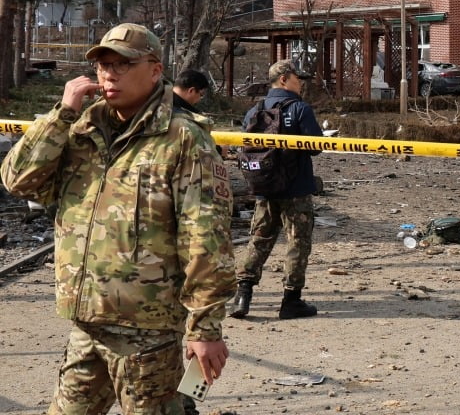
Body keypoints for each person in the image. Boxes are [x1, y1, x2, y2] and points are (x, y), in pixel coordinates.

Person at [0, 23, 234, 414]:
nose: (109, 73)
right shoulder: (81, 130)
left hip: (149, 335)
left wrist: (206, 328)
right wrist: (61, 114)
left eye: (123, 64)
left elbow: (206, 238)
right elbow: (17, 181)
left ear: (155, 69)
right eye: (103, 65)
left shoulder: (183, 138)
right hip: (86, 326)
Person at [229, 59, 323, 320]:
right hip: (296, 189)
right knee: (298, 243)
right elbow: (315, 146)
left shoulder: (254, 111)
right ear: (284, 79)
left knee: (259, 240)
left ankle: (242, 295)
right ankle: (291, 300)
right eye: (297, 78)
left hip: (264, 187)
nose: (301, 83)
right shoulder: (300, 109)